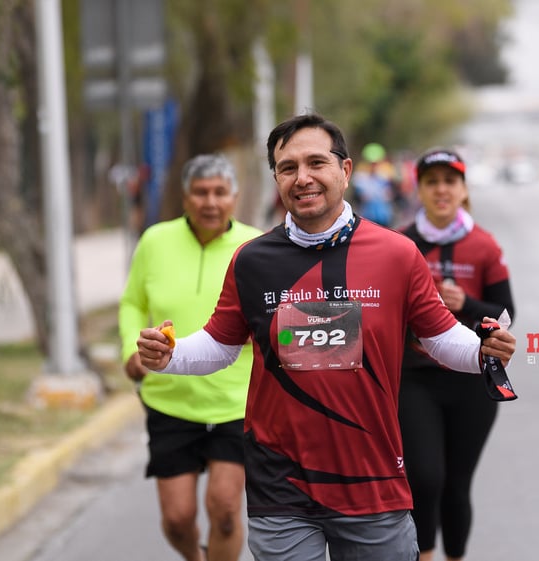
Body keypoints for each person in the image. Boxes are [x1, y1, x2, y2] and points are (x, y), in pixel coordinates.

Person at [134, 112, 517, 561]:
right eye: (288, 167)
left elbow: (440, 338)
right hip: (282, 485)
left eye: (316, 162)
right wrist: (170, 355)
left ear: (345, 170)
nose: (303, 178)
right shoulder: (252, 260)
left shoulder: (396, 254)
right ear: (276, 177)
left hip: (371, 481)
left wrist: (484, 352)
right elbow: (219, 346)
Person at [118, 153, 262, 561]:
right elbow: (132, 303)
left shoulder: (255, 246)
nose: (210, 202)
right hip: (171, 399)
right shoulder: (155, 241)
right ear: (185, 197)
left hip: (235, 403)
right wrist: (132, 350)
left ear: (235, 197)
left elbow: (275, 311)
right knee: (178, 518)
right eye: (200, 192)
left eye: (220, 192)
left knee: (227, 510)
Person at [398, 148, 516, 561]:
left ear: (463, 190)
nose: (442, 190)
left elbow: (506, 314)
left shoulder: (484, 245)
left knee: (456, 484)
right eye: (432, 182)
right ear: (420, 190)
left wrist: (466, 303)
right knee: (424, 478)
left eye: (450, 182)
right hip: (414, 379)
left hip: (472, 382)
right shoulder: (400, 243)